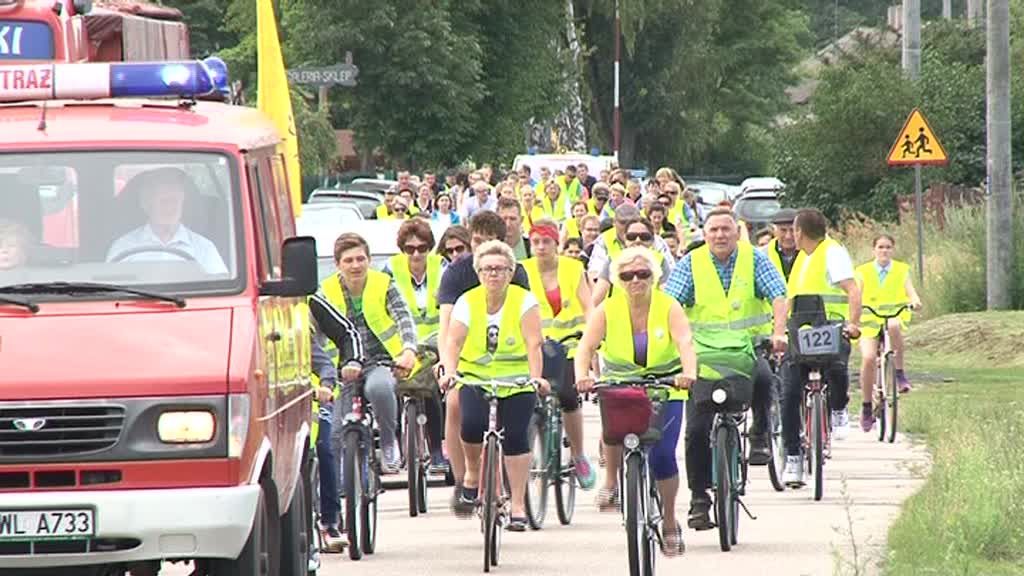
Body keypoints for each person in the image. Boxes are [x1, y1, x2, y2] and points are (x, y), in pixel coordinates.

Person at [662, 208, 788, 529]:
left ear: (737, 233)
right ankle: (699, 499)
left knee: (763, 377)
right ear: (704, 235)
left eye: (726, 230)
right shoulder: (691, 263)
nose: (720, 235)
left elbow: (778, 295)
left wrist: (778, 333)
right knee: (696, 430)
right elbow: (669, 304)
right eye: (714, 230)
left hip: (747, 347)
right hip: (703, 355)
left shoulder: (755, 259)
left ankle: (759, 434)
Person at [574, 247, 698, 557]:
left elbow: (684, 341)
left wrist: (688, 373)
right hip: (621, 386)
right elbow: (585, 347)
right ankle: (612, 482)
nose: (635, 281)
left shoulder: (669, 306)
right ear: (617, 279)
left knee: (662, 457)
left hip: (664, 387)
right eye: (627, 276)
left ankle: (669, 521)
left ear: (654, 277)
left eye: (643, 274)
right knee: (614, 434)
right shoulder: (606, 309)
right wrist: (582, 376)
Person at [439, 240, 548, 533]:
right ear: (478, 272)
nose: (493, 274)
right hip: (475, 377)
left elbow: (533, 343)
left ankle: (518, 505)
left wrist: (536, 377)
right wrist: (450, 373)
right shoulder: (467, 301)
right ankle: (473, 474)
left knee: (515, 437)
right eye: (487, 269)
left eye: (500, 269)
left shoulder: (524, 300)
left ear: (511, 272)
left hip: (517, 379)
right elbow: (453, 342)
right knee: (471, 425)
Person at [319, 233, 419, 475]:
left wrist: (408, 349)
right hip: (342, 368)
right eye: (348, 260)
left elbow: (403, 318)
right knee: (334, 431)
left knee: (380, 389)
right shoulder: (326, 291)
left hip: (380, 362)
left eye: (360, 259)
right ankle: (347, 482)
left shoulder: (383, 284)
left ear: (369, 260)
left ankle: (388, 443)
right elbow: (314, 332)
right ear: (338, 264)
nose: (355, 265)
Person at [781, 208, 862, 487]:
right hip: (801, 334)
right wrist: (778, 331)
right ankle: (792, 456)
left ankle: (838, 409)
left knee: (837, 368)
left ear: (799, 232)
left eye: (793, 230)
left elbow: (852, 288)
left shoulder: (832, 252)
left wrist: (853, 324)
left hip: (831, 328)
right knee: (789, 392)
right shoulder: (801, 259)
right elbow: (790, 299)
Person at [521, 219, 597, 489]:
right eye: (535, 242)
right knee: (528, 397)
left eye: (546, 242)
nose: (540, 247)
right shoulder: (522, 270)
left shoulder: (573, 269)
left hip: (570, 343)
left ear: (557, 244)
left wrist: (591, 335)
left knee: (568, 394)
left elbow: (588, 307)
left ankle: (577, 455)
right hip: (535, 345)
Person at [385, 220, 449, 472]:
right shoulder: (390, 269)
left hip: (435, 340)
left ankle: (436, 450)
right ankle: (399, 447)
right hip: (402, 341)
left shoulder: (440, 267)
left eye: (422, 248)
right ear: (402, 248)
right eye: (409, 248)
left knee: (432, 389)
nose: (416, 254)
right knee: (395, 390)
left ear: (430, 248)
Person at [307, 298, 363, 549]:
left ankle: (330, 521)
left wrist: (326, 386)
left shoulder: (305, 308)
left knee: (325, 447)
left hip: (312, 401)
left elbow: (323, 363)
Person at [855, 234, 921, 431]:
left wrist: (915, 301)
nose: (884, 251)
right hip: (869, 320)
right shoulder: (863, 271)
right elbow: (856, 294)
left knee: (893, 326)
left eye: (888, 247)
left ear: (893, 249)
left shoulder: (901, 270)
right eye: (880, 247)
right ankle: (867, 406)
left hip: (894, 315)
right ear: (874, 249)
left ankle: (899, 372)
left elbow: (910, 290)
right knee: (868, 358)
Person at [106, 167, 227, 274]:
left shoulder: (204, 248)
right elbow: (110, 292)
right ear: (146, 204)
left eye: (174, 201)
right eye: (164, 201)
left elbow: (222, 295)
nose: (170, 208)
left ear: (182, 202)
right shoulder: (123, 248)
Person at [587, 203, 674, 283]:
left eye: (632, 222)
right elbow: (594, 273)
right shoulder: (604, 239)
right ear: (614, 222)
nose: (628, 226)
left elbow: (671, 273)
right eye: (623, 222)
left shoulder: (655, 239)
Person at [763, 208, 799, 281]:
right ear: (774, 232)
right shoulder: (763, 255)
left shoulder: (810, 253)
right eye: (783, 230)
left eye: (792, 230)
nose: (788, 236)